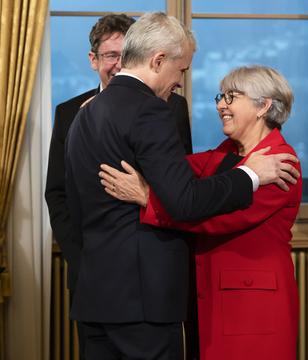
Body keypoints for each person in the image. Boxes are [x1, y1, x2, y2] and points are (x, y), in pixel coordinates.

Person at [65, 12, 299, 360]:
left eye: (230, 97)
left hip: (103, 294)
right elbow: (186, 200)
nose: (181, 83)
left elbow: (197, 202)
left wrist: (147, 195)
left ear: (264, 106)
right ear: (159, 60)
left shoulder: (86, 113)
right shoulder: (151, 112)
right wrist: (250, 174)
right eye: (182, 71)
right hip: (145, 299)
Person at [44, 14, 195, 357]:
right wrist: (82, 259)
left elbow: (177, 177)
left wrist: (148, 195)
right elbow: (61, 194)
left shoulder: (170, 106)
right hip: (112, 283)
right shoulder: (73, 111)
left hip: (131, 283)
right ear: (93, 59)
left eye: (122, 53)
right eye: (110, 55)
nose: (116, 64)